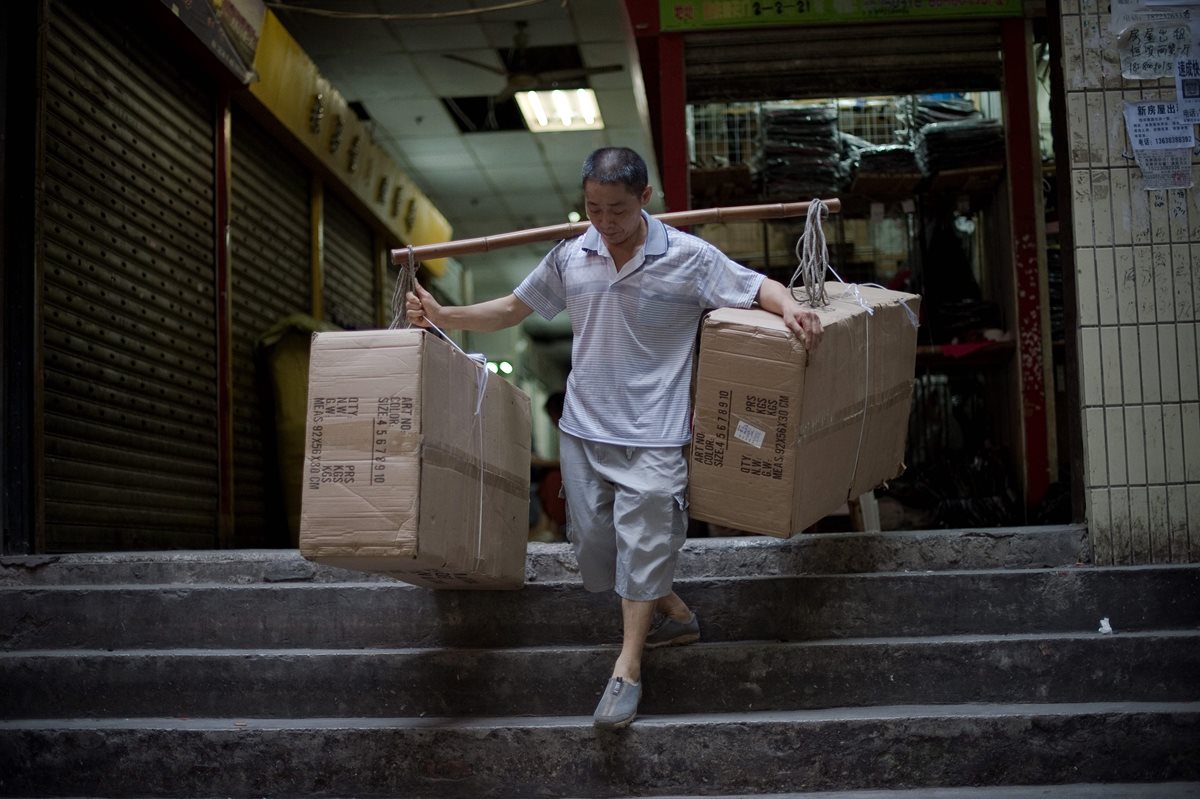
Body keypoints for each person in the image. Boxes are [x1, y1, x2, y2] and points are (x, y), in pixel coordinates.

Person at [406, 147, 823, 729]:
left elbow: (755, 288)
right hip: (584, 427)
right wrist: (444, 315)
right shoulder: (572, 255)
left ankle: (627, 666)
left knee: (646, 535)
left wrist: (792, 310)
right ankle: (671, 609)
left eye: (617, 210)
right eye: (593, 208)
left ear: (645, 199)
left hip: (656, 431)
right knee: (596, 550)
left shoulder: (687, 256)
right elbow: (512, 308)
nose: (604, 222)